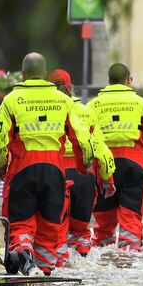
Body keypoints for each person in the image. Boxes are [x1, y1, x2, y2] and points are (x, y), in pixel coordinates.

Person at [0, 53, 94, 275]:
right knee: (49, 229)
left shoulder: (11, 100)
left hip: (22, 170)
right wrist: (83, 167)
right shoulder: (63, 100)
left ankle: (24, 254)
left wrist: (0, 166)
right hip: (55, 171)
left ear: (23, 75)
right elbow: (83, 139)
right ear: (44, 75)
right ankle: (43, 276)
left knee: (21, 225)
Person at [48, 69, 115, 265]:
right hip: (85, 177)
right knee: (81, 233)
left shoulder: (48, 108)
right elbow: (101, 149)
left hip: (58, 174)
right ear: (71, 88)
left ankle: (58, 275)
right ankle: (82, 271)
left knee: (55, 232)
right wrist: (107, 179)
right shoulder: (87, 112)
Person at [87, 63, 143, 251]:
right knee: (130, 219)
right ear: (128, 80)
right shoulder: (142, 104)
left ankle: (102, 258)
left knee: (103, 223)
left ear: (109, 82)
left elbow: (85, 139)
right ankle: (130, 260)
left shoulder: (93, 105)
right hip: (134, 164)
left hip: (103, 168)